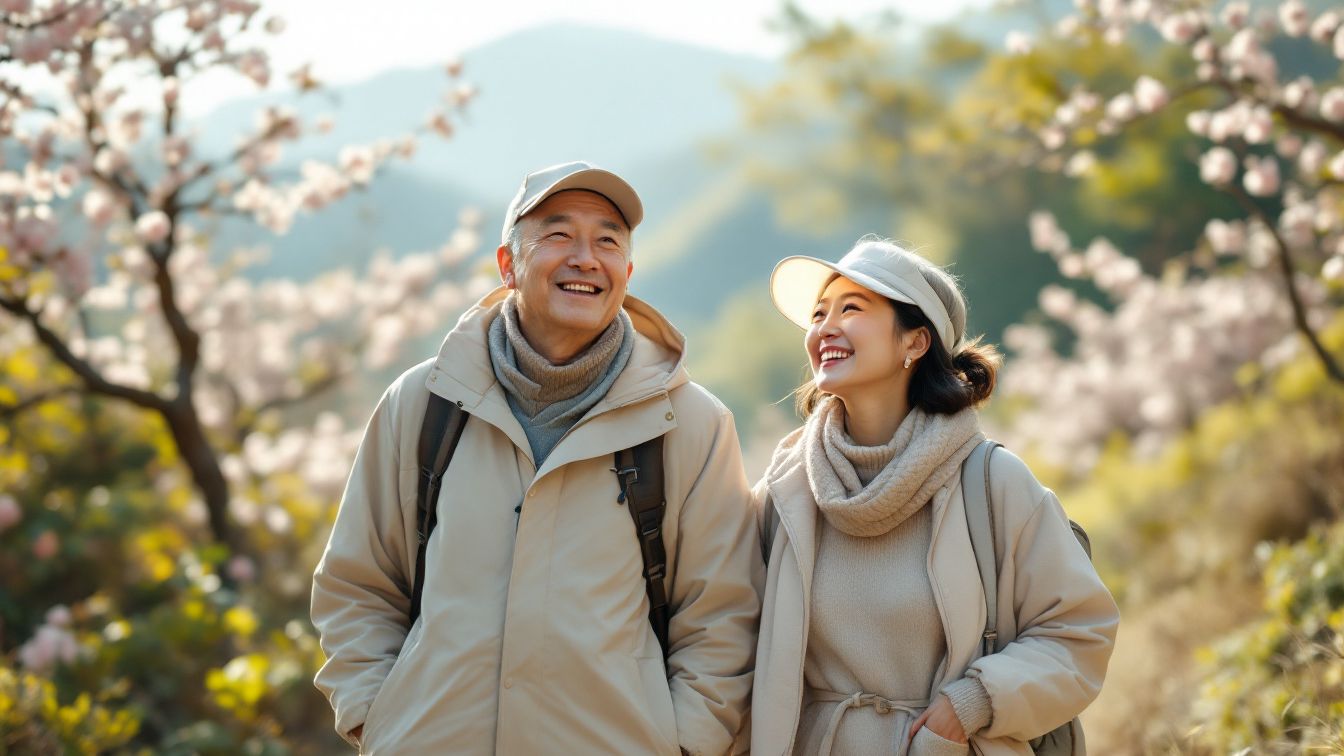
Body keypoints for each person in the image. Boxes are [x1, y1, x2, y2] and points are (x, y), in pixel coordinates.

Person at [311, 161, 762, 755]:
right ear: (508, 266)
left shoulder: (692, 423)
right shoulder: (423, 404)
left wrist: (682, 745)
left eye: (607, 240)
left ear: (627, 270)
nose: (585, 258)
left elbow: (721, 618)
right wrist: (379, 720)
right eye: (558, 236)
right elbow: (358, 586)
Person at [750, 238, 1119, 755]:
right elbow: (726, 635)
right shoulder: (785, 490)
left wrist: (971, 704)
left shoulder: (991, 480)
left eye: (851, 309)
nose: (823, 328)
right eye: (818, 313)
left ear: (916, 342)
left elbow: (1079, 631)